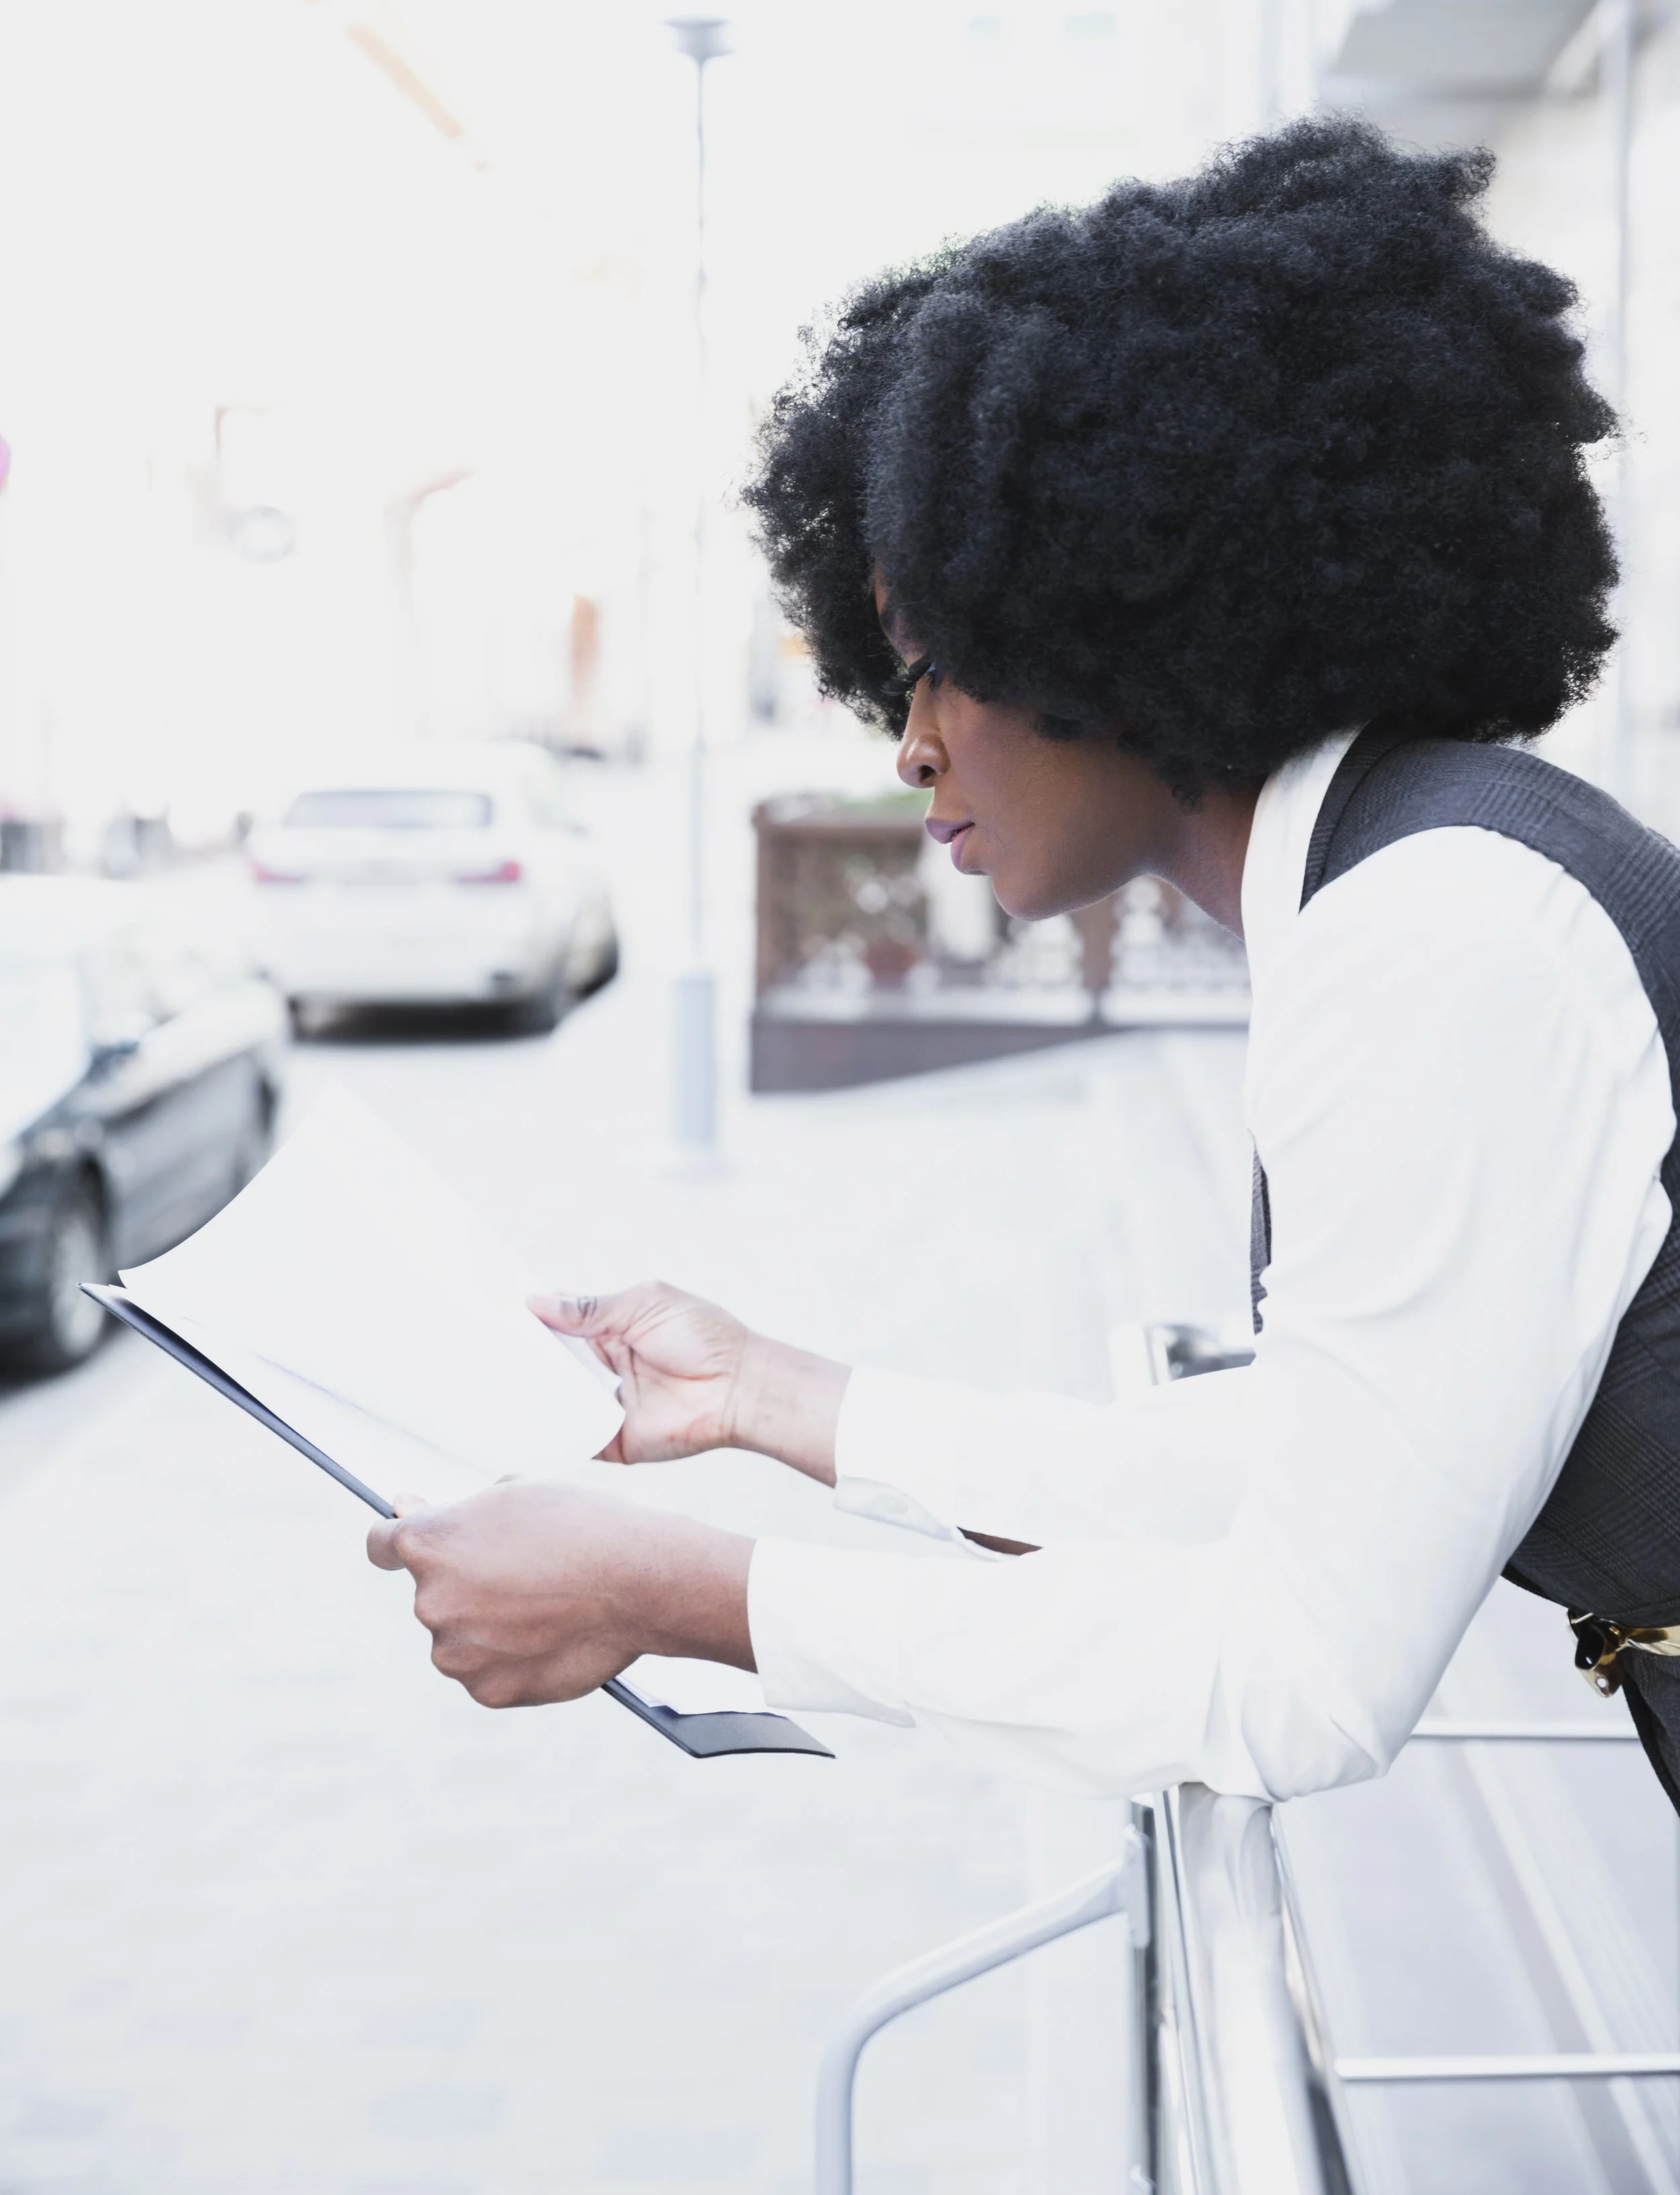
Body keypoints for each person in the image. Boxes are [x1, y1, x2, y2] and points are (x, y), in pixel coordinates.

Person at [368, 116, 1680, 1813]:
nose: (907, 744)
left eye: (931, 664)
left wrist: (677, 1594)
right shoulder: (1433, 871)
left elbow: (1288, 1679)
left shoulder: (1430, 940)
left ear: (1119, 617)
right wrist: (763, 1396)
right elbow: (1300, 1456)